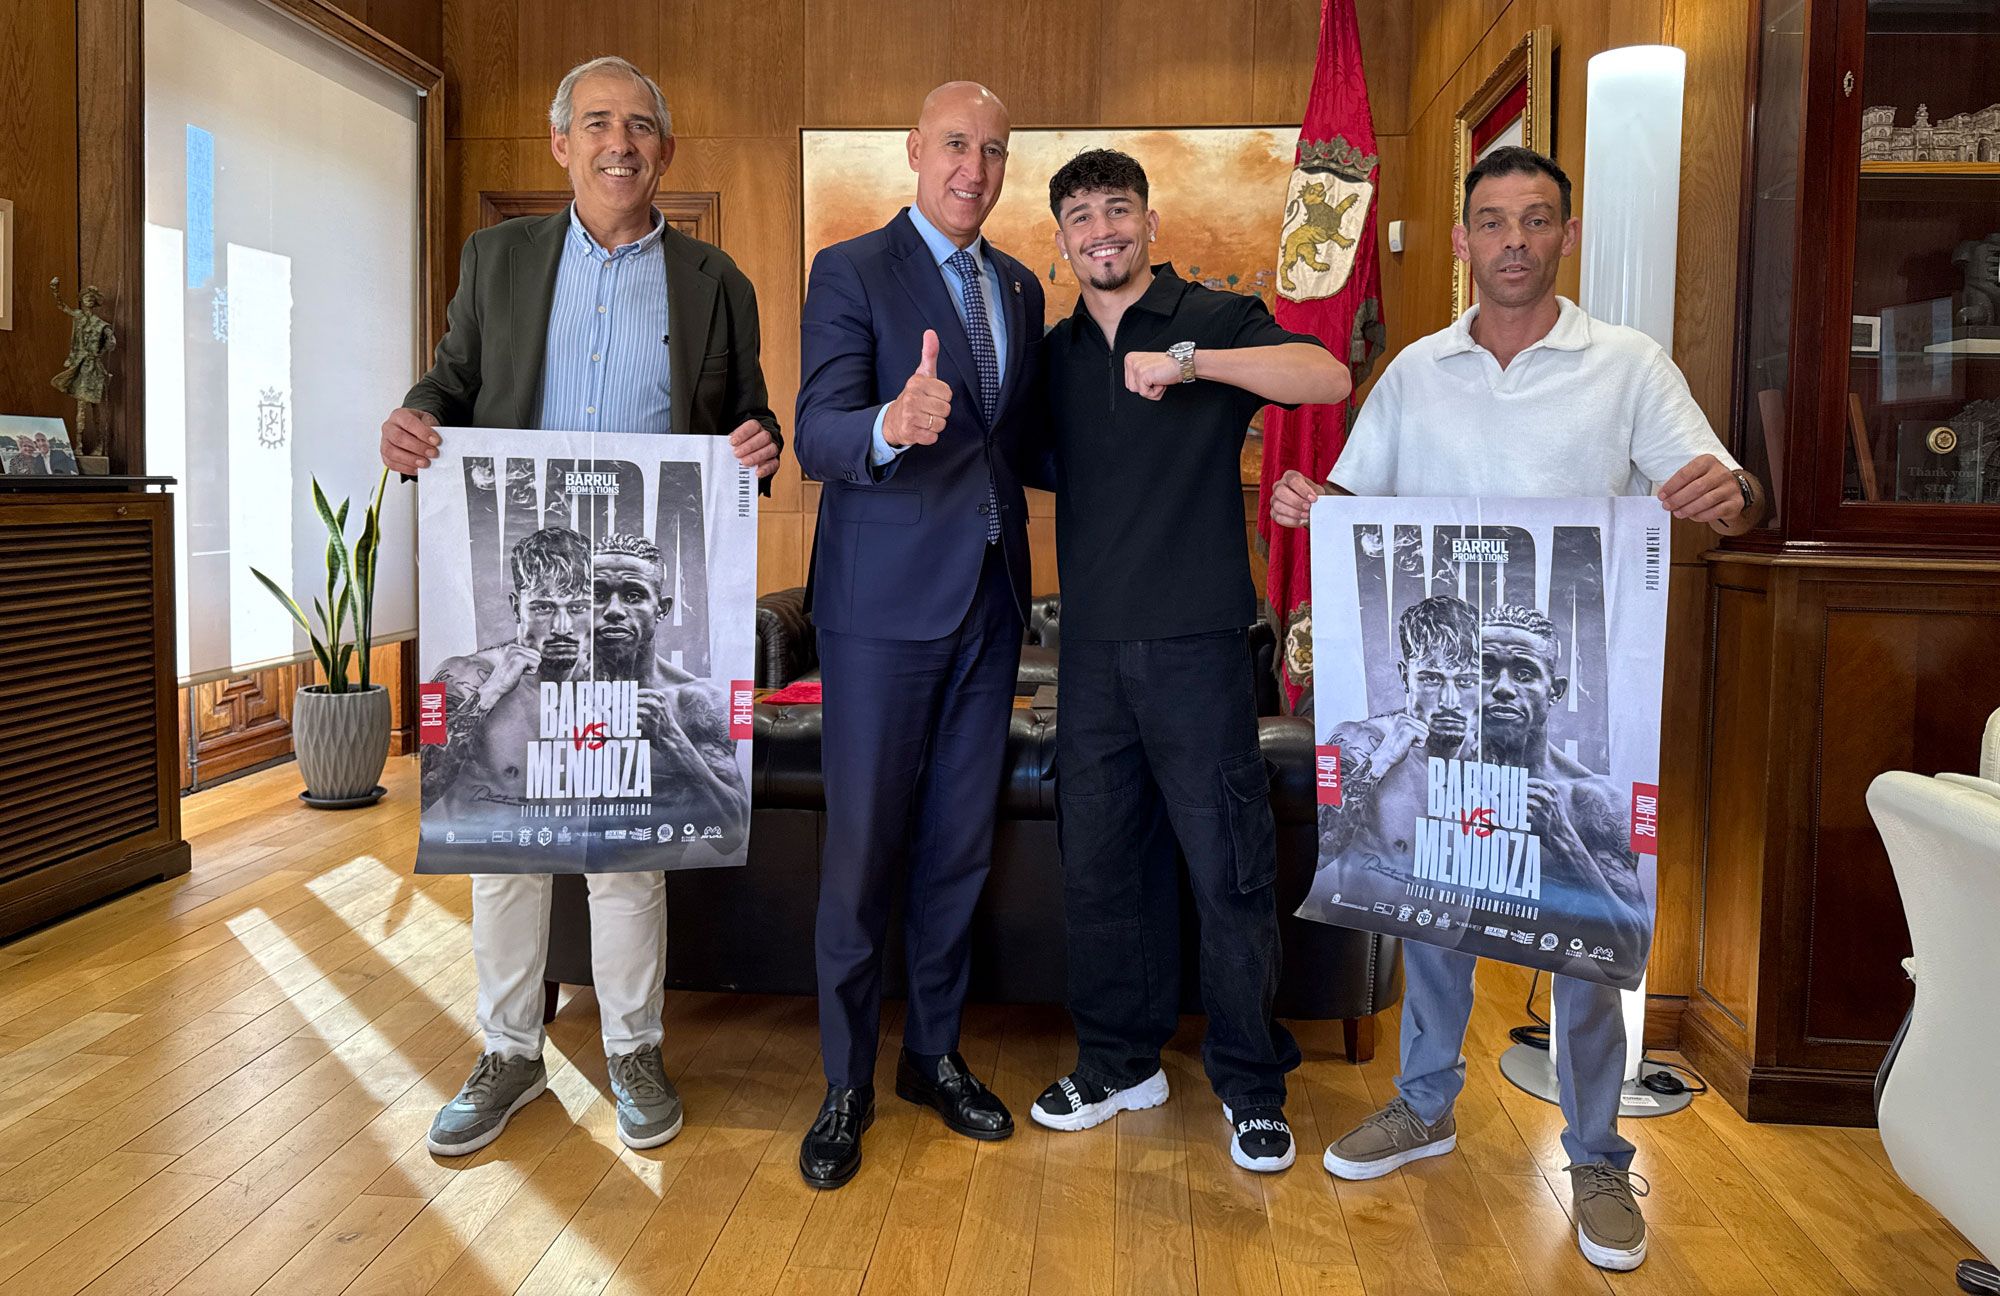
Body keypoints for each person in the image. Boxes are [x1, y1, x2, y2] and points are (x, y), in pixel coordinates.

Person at [1270, 144, 1766, 1272]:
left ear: (1564, 236)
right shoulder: (1413, 371)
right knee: (1435, 904)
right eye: (1489, 222)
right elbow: (1353, 505)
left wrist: (1726, 493)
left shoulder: (1627, 365)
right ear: (1459, 241)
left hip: (1563, 708)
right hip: (1451, 707)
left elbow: (1731, 498)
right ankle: (1424, 1104)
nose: (1510, 242)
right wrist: (1312, 502)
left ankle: (1594, 1153)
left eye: (1533, 221)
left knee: (1584, 931)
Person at [379, 55, 783, 1158]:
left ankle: (633, 1047)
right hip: (524, 577)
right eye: (597, 124)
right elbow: (449, 381)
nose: (620, 143)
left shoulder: (716, 280)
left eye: (641, 127)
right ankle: (508, 1050)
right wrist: (415, 422)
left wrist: (762, 444)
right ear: (561, 144)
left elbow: (748, 422)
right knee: (503, 834)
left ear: (664, 151)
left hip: (623, 602)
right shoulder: (496, 259)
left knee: (623, 844)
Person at [1029, 149, 1349, 1173]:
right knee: (1100, 870)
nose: (1100, 231)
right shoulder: (1057, 351)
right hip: (1087, 653)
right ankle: (1121, 1062)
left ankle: (1251, 1085)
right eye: (1079, 217)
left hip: (1201, 647)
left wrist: (1192, 366)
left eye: (1115, 210)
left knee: (1227, 875)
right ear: (1063, 240)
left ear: (1147, 222)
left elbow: (1324, 373)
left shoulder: (1209, 318)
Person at [791, 81, 1045, 1190]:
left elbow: (1019, 443)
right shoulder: (850, 270)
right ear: (912, 150)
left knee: (956, 849)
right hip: (878, 614)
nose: (972, 169)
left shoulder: (1023, 287)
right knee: (860, 856)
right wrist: (889, 425)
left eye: (991, 151)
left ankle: (930, 1057)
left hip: (992, 605)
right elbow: (813, 431)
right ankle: (845, 1081)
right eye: (954, 145)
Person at [1478, 603, 1649, 984]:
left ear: (1554, 691)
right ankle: (1433, 1048)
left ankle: (1584, 1046)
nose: (1502, 688)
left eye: (1524, 673)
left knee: (1588, 974)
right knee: (1430, 939)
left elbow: (1629, 955)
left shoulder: (1593, 801)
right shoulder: (1426, 773)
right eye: (1485, 670)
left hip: (1564, 936)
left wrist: (1563, 840)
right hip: (1456, 924)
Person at [1303, 595, 1481, 911]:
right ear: (1404, 676)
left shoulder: (1490, 757)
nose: (1450, 700)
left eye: (1465, 681)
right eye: (1432, 678)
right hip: (1373, 939)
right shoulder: (1354, 739)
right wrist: (1381, 759)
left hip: (1456, 948)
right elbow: (1318, 851)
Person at [422, 526, 595, 820]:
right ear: (517, 608)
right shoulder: (454, 672)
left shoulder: (616, 678)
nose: (562, 627)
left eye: (578, 607)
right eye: (543, 607)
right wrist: (492, 690)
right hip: (499, 844)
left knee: (629, 867)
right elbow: (422, 787)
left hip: (589, 840)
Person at [590, 530, 749, 850]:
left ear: (661, 609)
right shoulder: (536, 692)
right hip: (541, 855)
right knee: (502, 880)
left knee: (630, 884)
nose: (614, 610)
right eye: (597, 594)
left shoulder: (698, 701)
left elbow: (732, 836)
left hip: (638, 866)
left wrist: (671, 740)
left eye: (634, 596)